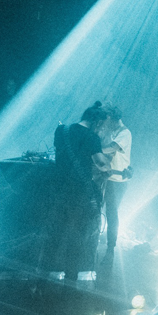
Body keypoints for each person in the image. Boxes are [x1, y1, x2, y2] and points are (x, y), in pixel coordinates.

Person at [52, 101, 112, 281]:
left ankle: (46, 273)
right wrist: (108, 166)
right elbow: (100, 163)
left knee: (55, 232)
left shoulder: (61, 131)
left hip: (57, 189)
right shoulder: (92, 137)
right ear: (97, 122)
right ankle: (70, 277)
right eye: (102, 126)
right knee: (76, 236)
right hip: (78, 192)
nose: (102, 129)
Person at [101, 105, 132, 267]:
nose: (106, 124)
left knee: (112, 214)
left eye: (108, 121)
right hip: (105, 178)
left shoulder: (125, 133)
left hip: (117, 181)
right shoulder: (112, 131)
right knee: (98, 210)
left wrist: (92, 149)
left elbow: (112, 148)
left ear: (114, 119)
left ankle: (110, 249)